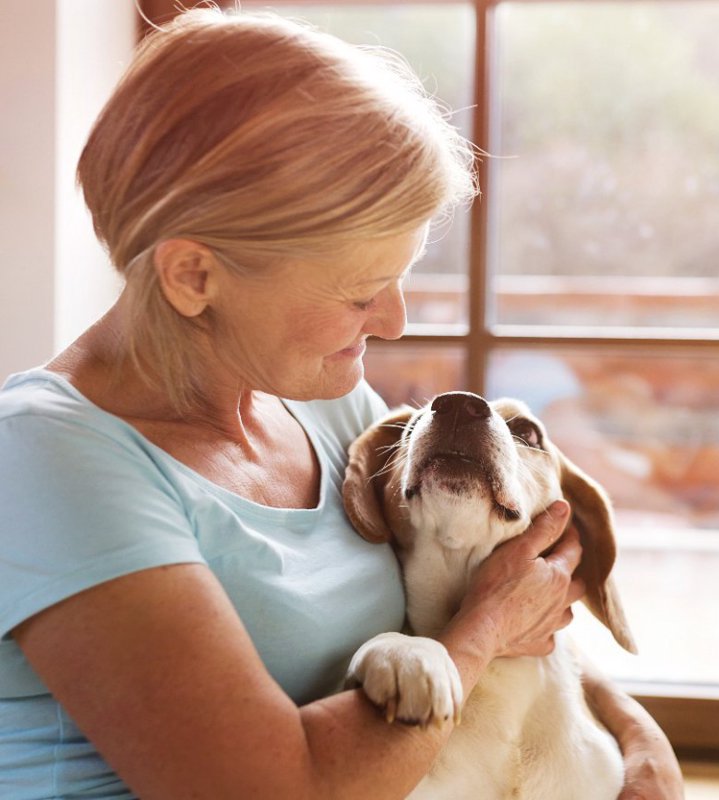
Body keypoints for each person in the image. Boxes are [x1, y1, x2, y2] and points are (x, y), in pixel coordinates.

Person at [0, 8, 683, 799]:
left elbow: (510, 603)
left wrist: (639, 741)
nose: (393, 322)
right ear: (193, 277)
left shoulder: (324, 406)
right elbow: (275, 789)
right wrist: (482, 633)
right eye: (360, 291)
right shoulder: (47, 464)